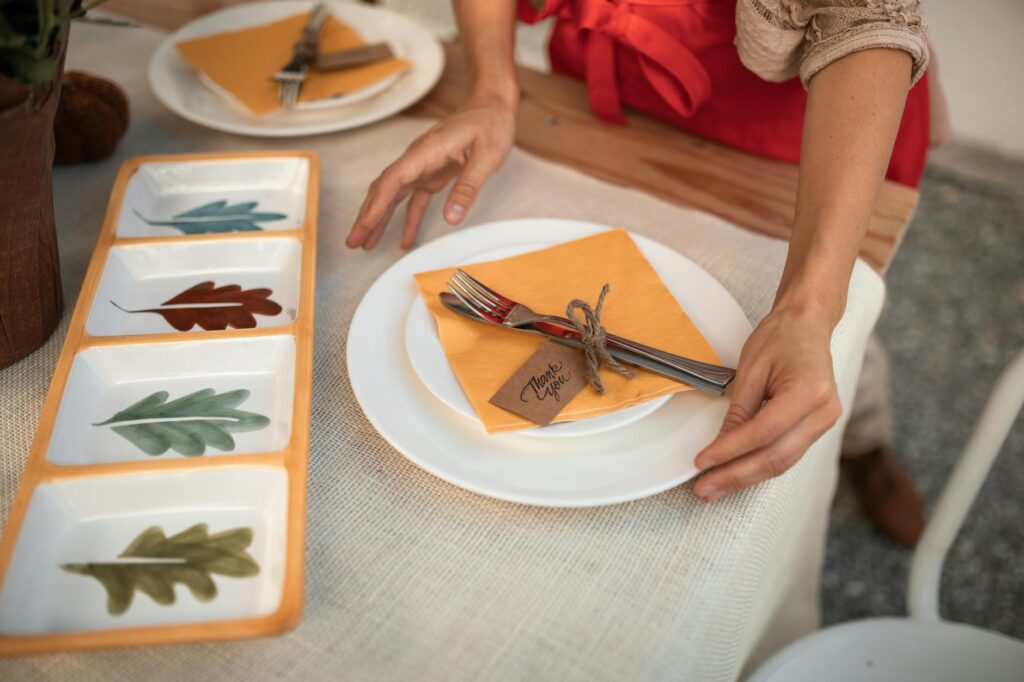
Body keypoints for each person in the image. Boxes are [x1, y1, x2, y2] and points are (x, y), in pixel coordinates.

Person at [347, 0, 937, 545]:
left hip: (800, 136)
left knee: (828, 337)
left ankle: (864, 446)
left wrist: (809, 311)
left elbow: (864, 18)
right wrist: (492, 90)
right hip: (602, 100)